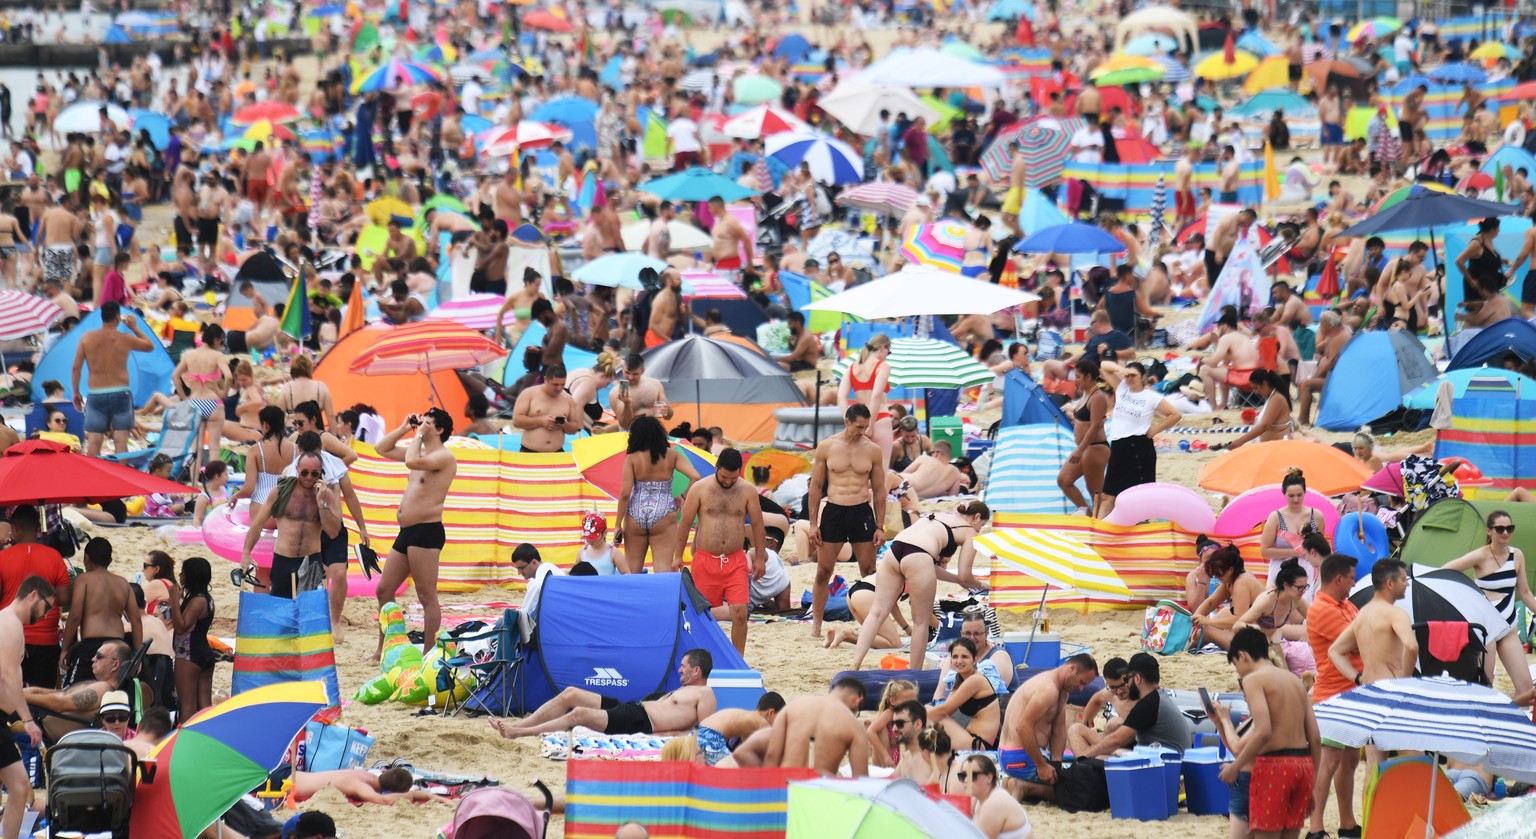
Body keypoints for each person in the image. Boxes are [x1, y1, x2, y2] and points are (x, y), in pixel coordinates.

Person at [848, 501, 990, 671]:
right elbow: (965, 576)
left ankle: (854, 665)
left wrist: (959, 580)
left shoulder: (941, 514)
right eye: (981, 525)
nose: (980, 529)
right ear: (976, 517)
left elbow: (932, 567)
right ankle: (914, 673)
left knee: (877, 613)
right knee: (921, 622)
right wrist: (981, 584)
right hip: (919, 555)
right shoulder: (970, 533)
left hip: (895, 550)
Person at [373, 408, 458, 659]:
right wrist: (403, 428)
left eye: (428, 423)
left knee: (426, 595)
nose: (422, 425)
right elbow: (381, 448)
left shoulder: (444, 456)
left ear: (439, 430)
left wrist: (418, 436)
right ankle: (384, 647)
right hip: (406, 531)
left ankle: (428, 653)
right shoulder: (418, 450)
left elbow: (411, 461)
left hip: (427, 531)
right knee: (384, 590)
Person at [1221, 627, 1321, 839]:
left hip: (1274, 767)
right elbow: (1314, 737)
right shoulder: (1294, 680)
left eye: (1237, 665)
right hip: (1303, 767)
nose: (1239, 672)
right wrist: (1313, 780)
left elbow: (1263, 731)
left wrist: (1235, 768)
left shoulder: (1254, 679)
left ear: (1242, 655)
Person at [489, 649, 716, 738]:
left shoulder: (705, 694)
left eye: (683, 666)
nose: (679, 670)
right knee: (570, 694)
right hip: (633, 708)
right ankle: (520, 725)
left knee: (579, 713)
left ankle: (519, 733)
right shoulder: (686, 689)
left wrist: (663, 736)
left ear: (696, 670)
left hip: (640, 720)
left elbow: (705, 734)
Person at [673, 449, 766, 655]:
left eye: (733, 478)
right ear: (716, 468)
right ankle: (701, 658)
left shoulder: (747, 491)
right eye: (724, 477)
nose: (728, 482)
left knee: (740, 612)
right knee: (701, 614)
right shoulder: (699, 488)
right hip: (705, 560)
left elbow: (758, 526)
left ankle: (738, 660)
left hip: (735, 560)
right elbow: (685, 524)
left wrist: (760, 558)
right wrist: (678, 556)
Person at [1442, 509, 1536, 704]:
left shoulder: (1516, 555)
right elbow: (1444, 571)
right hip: (1486, 628)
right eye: (1500, 529)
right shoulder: (1481, 556)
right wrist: (1465, 597)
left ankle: (1513, 723)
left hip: (1508, 626)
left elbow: (1525, 592)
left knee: (1526, 689)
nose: (1505, 533)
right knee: (1486, 685)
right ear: (1488, 531)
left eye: (1509, 528)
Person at [808, 405, 886, 639]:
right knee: (823, 570)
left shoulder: (872, 450)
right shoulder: (827, 447)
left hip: (861, 511)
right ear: (847, 422)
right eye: (859, 426)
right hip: (834, 511)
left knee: (869, 571)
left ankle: (873, 623)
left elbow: (880, 490)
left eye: (866, 427)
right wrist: (813, 524)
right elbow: (815, 487)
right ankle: (816, 625)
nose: (863, 431)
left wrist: (880, 526)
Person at [1306, 554, 1363, 839]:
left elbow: (1360, 637)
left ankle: (1347, 822)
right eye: (1352, 578)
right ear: (1339, 578)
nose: (1354, 583)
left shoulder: (1346, 605)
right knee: (1328, 762)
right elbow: (1358, 641)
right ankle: (1316, 828)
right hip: (1333, 696)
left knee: (1350, 761)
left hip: (1351, 694)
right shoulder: (1321, 609)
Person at [242, 451, 343, 600]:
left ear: (321, 472)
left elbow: (334, 532)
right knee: (281, 610)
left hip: (310, 561)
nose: (309, 477)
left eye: (314, 474)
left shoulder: (326, 495)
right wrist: (246, 552)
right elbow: (258, 524)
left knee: (308, 612)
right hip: (283, 559)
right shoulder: (281, 492)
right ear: (297, 469)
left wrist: (321, 503)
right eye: (304, 472)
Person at [999, 654, 1099, 797]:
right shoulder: (1048, 689)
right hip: (1022, 757)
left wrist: (1056, 765)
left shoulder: (1062, 691)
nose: (1081, 689)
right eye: (1081, 682)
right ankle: (1023, 786)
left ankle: (1013, 782)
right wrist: (1041, 766)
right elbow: (1022, 727)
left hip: (1013, 756)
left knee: (1061, 778)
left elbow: (1058, 730)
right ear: (1072, 668)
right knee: (1077, 794)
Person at [0, 575, 53, 838]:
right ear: (33, 595)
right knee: (20, 787)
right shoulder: (10, 624)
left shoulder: (8, 622)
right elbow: (7, 676)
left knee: (16, 786)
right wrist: (28, 720)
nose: (46, 615)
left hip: (1, 718)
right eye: (47, 607)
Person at [614, 416, 700, 573]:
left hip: (635, 512)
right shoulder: (672, 455)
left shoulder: (632, 458)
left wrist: (617, 524)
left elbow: (625, 494)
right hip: (664, 511)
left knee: (632, 572)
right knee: (663, 571)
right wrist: (682, 497)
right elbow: (696, 477)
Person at [1097, 361, 1181, 518]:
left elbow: (1175, 414)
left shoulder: (1151, 396)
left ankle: (1142, 531)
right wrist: (1122, 370)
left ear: (1143, 377)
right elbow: (1104, 366)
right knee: (1108, 495)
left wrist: (1155, 430)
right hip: (1119, 446)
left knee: (1141, 497)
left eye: (1134, 375)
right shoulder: (1121, 388)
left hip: (1139, 446)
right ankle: (1099, 532)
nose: (1130, 378)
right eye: (1128, 376)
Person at [71, 302, 155, 457]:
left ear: (102, 317)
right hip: (121, 392)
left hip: (96, 393)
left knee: (95, 441)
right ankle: (120, 475)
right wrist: (134, 327)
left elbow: (76, 368)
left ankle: (92, 476)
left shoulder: (87, 338)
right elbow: (150, 346)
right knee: (121, 440)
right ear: (118, 316)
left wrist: (76, 392)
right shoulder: (125, 338)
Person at [0, 506, 70, 688]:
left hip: (10, 636)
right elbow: (63, 598)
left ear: (14, 528)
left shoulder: (3, 558)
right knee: (42, 699)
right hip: (46, 638)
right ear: (38, 528)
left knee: (9, 696)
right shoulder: (54, 557)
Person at [1073, 653, 1191, 757]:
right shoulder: (1156, 697)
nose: (1125, 685)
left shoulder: (1148, 704)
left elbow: (1116, 741)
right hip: (1159, 755)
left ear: (1137, 679)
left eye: (1127, 680)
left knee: (1104, 752)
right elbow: (1097, 699)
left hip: (1167, 762)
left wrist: (1085, 756)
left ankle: (1081, 767)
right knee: (1076, 729)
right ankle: (1082, 768)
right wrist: (1086, 723)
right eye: (1113, 687)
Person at [61, 537, 141, 689]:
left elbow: (75, 616)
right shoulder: (122, 583)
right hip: (118, 646)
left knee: (74, 691)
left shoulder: (83, 580)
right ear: (110, 560)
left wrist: (65, 649)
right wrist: (137, 653)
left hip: (92, 646)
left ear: (86, 558)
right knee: (113, 692)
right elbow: (136, 619)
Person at [1329, 559, 1418, 689]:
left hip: (1369, 688)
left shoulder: (1361, 615)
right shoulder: (1395, 614)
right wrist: (1404, 679)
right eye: (1404, 579)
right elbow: (1411, 647)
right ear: (1390, 583)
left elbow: (1334, 651)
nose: (1407, 585)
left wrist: (1358, 678)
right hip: (1391, 687)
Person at [23, 637, 128, 743]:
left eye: (99, 656)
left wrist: (19, 696)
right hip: (35, 725)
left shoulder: (104, 689)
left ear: (115, 665)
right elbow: (58, 693)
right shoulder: (98, 685)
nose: (93, 659)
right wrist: (23, 692)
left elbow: (59, 704)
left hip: (38, 733)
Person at [764, 678, 870, 776]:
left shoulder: (792, 707)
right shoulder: (855, 727)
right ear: (858, 700)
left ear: (830, 692)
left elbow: (771, 755)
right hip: (820, 789)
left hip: (787, 784)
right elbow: (860, 779)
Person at [1232, 559, 1314, 680]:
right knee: (1270, 678)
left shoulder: (1296, 600)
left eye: (1305, 587)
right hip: (1253, 646)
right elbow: (1237, 625)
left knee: (1286, 680)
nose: (1303, 591)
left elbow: (1316, 620)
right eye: (1299, 587)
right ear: (1286, 585)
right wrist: (1254, 629)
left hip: (1274, 644)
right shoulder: (1267, 600)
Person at [927, 638, 1001, 751]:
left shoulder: (976, 680)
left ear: (974, 660)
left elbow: (944, 710)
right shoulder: (960, 680)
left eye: (965, 657)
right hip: (970, 739)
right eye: (955, 657)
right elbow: (948, 710)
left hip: (979, 744)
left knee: (925, 716)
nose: (959, 661)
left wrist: (918, 716)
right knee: (928, 715)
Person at [166, 557, 215, 723]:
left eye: (183, 572)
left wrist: (174, 600)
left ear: (190, 576)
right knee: (205, 706)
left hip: (188, 655)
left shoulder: (196, 601)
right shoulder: (206, 599)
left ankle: (185, 743)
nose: (180, 575)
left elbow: (181, 628)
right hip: (204, 654)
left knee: (187, 706)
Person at [1059, 357, 1110, 515]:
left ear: (1089, 376)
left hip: (1094, 447)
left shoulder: (1098, 397)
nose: (1076, 381)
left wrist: (1080, 450)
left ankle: (1099, 521)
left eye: (1078, 377)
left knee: (1095, 492)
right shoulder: (1086, 395)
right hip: (1085, 447)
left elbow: (1096, 426)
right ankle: (1087, 515)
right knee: (1064, 480)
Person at [1192, 545, 1265, 650]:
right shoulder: (1231, 580)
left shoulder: (1241, 582)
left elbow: (1239, 619)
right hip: (1252, 633)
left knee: (1206, 630)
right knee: (1221, 614)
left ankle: (1181, 646)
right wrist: (1195, 618)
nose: (1216, 577)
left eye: (1218, 574)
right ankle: (1185, 641)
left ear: (1230, 570)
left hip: (1258, 641)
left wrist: (1208, 622)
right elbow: (1211, 602)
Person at [838, 334, 895, 469]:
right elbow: (876, 396)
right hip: (879, 419)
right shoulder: (883, 367)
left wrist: (849, 422)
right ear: (882, 347)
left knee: (860, 469)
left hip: (858, 422)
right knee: (882, 468)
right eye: (888, 351)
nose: (887, 355)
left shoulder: (852, 367)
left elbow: (841, 396)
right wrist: (871, 425)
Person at [693, 693, 783, 767]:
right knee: (732, 770)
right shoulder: (761, 722)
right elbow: (773, 750)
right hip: (711, 737)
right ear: (771, 712)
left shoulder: (747, 718)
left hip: (697, 734)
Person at [511, 362, 581, 453]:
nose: (559, 388)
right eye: (555, 384)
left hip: (557, 452)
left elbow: (574, 428)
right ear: (545, 380)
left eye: (562, 384)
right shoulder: (529, 394)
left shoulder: (568, 399)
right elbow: (517, 421)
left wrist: (565, 425)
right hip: (530, 452)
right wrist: (540, 421)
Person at [964, 754, 1032, 839]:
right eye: (962, 776)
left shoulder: (994, 803)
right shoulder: (979, 799)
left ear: (989, 778)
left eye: (972, 775)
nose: (966, 780)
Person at [292, 767, 445, 804]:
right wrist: (427, 796)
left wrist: (431, 796)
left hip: (293, 773)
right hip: (283, 783)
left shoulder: (365, 774)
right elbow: (383, 800)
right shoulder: (360, 786)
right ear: (389, 790)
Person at [1226, 370, 1294, 448]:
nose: (1255, 392)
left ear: (1264, 384)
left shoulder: (1277, 398)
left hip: (1279, 445)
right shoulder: (1272, 397)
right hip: (1271, 445)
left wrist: (1241, 441)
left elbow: (1264, 426)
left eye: (1256, 388)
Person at [611, 353, 673, 430]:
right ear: (623, 369)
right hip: (630, 432)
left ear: (642, 371)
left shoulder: (655, 384)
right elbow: (624, 424)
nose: (630, 377)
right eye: (627, 373)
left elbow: (669, 416)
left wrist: (666, 411)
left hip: (653, 430)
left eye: (635, 374)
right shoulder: (615, 392)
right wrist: (627, 404)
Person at [512, 543, 562, 619]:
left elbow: (525, 616)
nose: (519, 572)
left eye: (521, 568)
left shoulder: (539, 581)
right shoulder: (549, 567)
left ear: (534, 562)